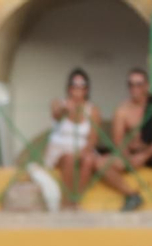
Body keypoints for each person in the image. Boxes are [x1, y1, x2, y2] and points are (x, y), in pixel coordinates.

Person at [43, 67, 141, 211]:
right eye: (74, 85)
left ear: (87, 89)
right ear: (69, 88)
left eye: (82, 85)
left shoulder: (93, 110)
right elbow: (56, 114)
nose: (78, 88)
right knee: (70, 158)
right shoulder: (59, 103)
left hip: (82, 150)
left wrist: (84, 151)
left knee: (89, 160)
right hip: (60, 150)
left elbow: (93, 138)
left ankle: (75, 200)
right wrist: (65, 110)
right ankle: (66, 201)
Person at [105, 66, 152, 206]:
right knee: (100, 163)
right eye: (131, 84)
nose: (134, 88)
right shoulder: (122, 110)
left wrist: (144, 156)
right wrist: (129, 159)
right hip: (131, 155)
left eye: (138, 84)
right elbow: (118, 141)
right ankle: (132, 195)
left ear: (147, 86)